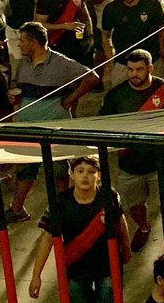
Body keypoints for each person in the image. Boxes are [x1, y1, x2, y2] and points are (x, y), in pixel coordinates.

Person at [30, 154, 131, 303]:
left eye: (91, 171)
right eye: (80, 171)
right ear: (72, 176)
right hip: (76, 269)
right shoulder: (60, 203)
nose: (85, 176)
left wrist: (126, 249)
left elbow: (120, 223)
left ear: (99, 176)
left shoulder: (109, 198)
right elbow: (47, 237)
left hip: (107, 267)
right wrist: (36, 274)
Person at [5, 23, 100, 220]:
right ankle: (17, 209)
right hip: (27, 129)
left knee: (59, 174)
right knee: (25, 172)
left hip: (54, 129)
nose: (19, 44)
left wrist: (71, 99)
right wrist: (13, 95)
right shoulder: (23, 63)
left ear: (33, 42)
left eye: (22, 40)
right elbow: (16, 84)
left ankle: (61, 211)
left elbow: (92, 77)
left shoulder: (61, 63)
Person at [100, 49, 164, 253]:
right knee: (134, 206)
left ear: (150, 68)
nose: (134, 74)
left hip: (162, 162)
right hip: (129, 165)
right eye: (130, 70)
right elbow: (102, 124)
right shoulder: (116, 96)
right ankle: (144, 226)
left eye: (139, 69)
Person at [100, 0, 164, 85]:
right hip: (123, 64)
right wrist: (111, 63)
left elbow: (162, 31)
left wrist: (162, 58)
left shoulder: (152, 3)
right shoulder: (111, 9)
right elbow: (105, 36)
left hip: (152, 62)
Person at [35, 0, 94, 64]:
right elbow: (40, 24)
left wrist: (90, 36)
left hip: (78, 44)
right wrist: (64, 26)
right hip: (57, 45)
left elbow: (85, 16)